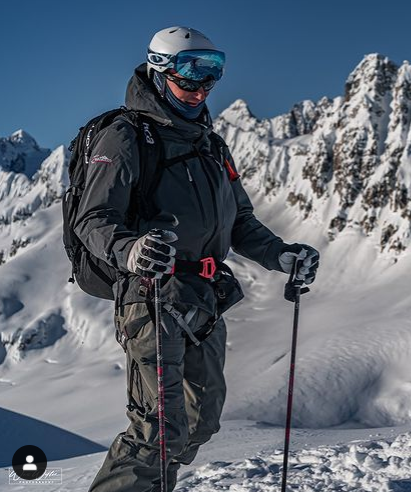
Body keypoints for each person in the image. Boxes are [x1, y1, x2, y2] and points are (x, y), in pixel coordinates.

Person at [75, 26, 320, 492]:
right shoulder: (125, 136)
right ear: (159, 69)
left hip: (205, 299)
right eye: (191, 75)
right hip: (151, 297)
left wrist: (282, 256)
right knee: (157, 432)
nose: (202, 86)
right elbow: (93, 220)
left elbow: (240, 221)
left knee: (198, 424)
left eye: (213, 74)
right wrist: (132, 250)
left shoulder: (210, 143)